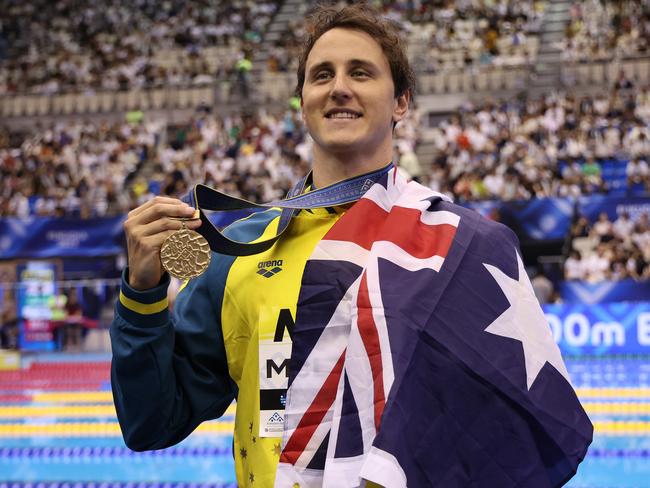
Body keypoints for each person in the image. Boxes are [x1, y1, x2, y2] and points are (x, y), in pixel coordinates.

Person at [111, 4, 592, 487]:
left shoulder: (466, 245)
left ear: (401, 101)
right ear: (302, 100)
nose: (339, 86)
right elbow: (152, 421)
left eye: (360, 72)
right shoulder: (239, 250)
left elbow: (513, 428)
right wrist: (142, 293)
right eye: (322, 75)